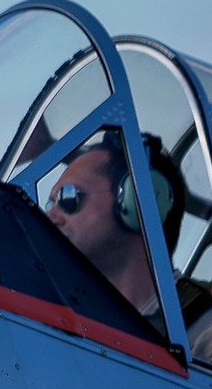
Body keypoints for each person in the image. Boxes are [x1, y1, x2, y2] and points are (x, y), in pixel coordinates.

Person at [43, 133, 182, 324]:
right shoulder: (77, 329)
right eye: (50, 204)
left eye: (67, 197)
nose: (50, 217)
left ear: (138, 200)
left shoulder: (207, 329)